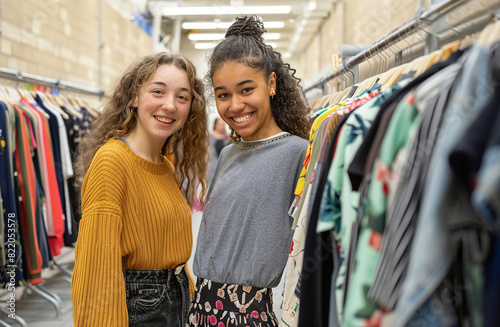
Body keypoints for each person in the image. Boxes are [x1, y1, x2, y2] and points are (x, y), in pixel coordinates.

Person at [188, 15, 311, 327]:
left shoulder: (297, 152)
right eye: (223, 94)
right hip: (200, 309)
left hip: (247, 315)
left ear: (270, 83)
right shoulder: (229, 152)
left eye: (246, 89)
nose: (235, 105)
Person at [71, 52, 209, 327]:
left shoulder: (166, 166)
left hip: (175, 302)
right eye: (158, 91)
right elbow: (96, 272)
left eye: (182, 97)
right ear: (134, 97)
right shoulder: (112, 162)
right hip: (140, 310)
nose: (169, 105)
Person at [207, 116, 229, 182]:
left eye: (223, 124)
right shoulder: (208, 138)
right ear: (215, 125)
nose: (222, 126)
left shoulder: (229, 139)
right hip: (210, 169)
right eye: (220, 124)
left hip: (224, 170)